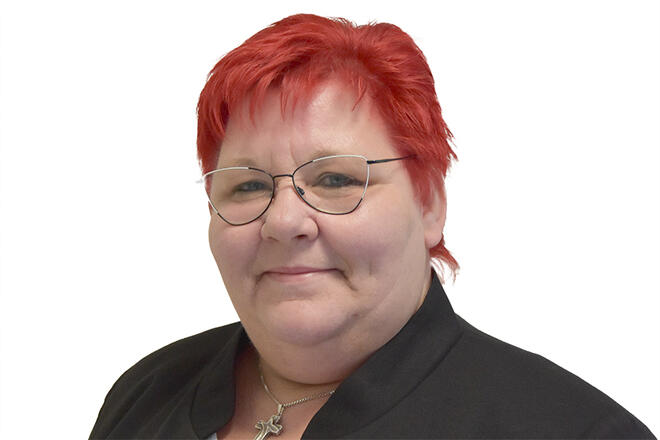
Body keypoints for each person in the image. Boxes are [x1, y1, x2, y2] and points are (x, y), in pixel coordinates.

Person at [90, 13, 655, 439]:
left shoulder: (572, 430)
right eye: (248, 186)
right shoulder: (145, 396)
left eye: (335, 179)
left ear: (429, 203)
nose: (283, 221)